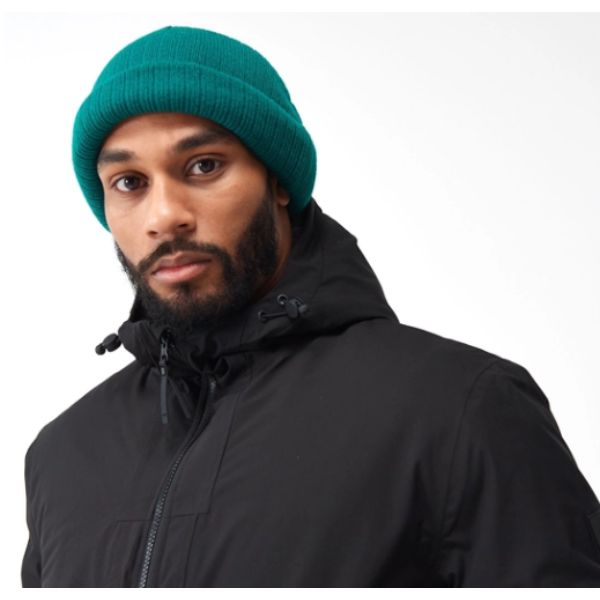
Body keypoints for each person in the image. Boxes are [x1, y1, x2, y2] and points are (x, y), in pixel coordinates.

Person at [21, 25, 600, 588]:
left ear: (278, 179)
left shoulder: (459, 409)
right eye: (129, 182)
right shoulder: (62, 457)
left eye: (204, 166)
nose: (163, 216)